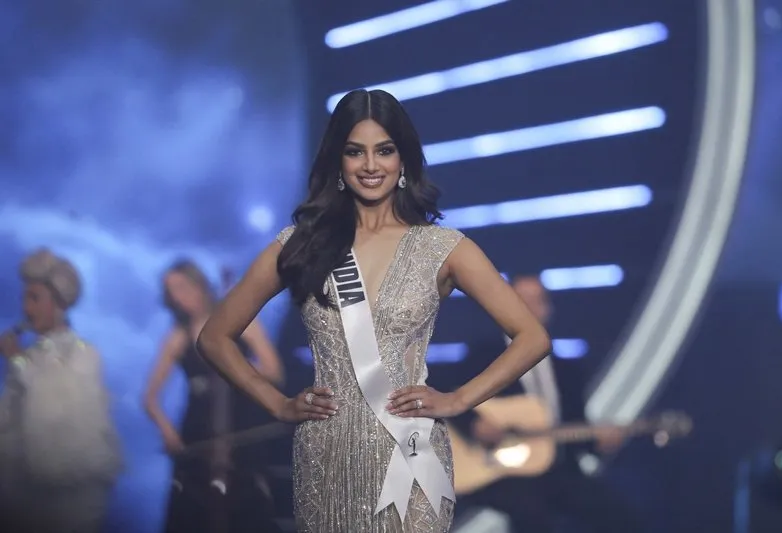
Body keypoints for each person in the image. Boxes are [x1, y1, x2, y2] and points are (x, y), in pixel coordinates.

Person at [195, 89, 552, 533]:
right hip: (326, 457)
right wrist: (278, 404)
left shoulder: (442, 248)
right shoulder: (301, 245)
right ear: (337, 161)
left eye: (384, 150)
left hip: (411, 452)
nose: (370, 165)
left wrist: (458, 400)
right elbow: (214, 337)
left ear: (403, 159)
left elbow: (533, 337)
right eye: (355, 151)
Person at [438, 275, 642, 533]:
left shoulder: (567, 371)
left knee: (616, 512)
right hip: (501, 473)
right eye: (520, 300)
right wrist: (475, 425)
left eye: (537, 301)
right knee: (531, 511)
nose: (529, 308)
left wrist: (599, 442)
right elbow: (446, 396)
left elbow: (573, 430)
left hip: (559, 472)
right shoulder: (482, 356)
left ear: (548, 308)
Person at [143, 259, 284, 533]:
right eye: (171, 291)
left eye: (182, 287)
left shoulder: (241, 322)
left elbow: (274, 371)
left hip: (240, 433)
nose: (177, 297)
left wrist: (232, 364)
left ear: (199, 284)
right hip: (197, 437)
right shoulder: (178, 337)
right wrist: (168, 433)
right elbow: (149, 398)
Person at [0, 248, 123, 533]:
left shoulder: (84, 353)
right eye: (24, 298)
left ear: (59, 303)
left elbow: (55, 407)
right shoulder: (30, 356)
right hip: (22, 498)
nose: (26, 308)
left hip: (67, 504)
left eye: (34, 298)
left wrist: (17, 360)